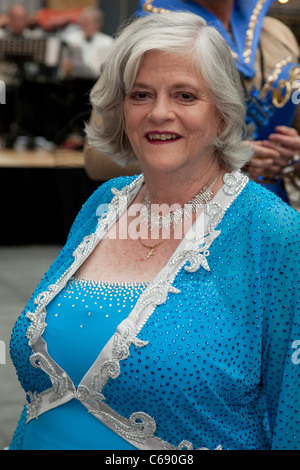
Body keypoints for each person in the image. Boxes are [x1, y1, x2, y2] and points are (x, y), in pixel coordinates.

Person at [9, 12, 299, 450]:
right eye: (141, 94)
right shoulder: (103, 204)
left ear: (221, 112)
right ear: (120, 109)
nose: (159, 113)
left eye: (185, 95)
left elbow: (292, 414)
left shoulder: (274, 233)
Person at [135, 0, 300, 211]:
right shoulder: (147, 29)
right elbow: (98, 156)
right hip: (195, 213)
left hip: (277, 210)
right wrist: (221, 157)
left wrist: (294, 155)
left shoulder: (276, 33)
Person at [61, 7, 114, 79]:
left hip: (97, 82)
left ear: (98, 25)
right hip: (73, 81)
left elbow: (106, 69)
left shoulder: (107, 42)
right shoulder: (71, 39)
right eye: (83, 22)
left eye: (89, 23)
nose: (85, 25)